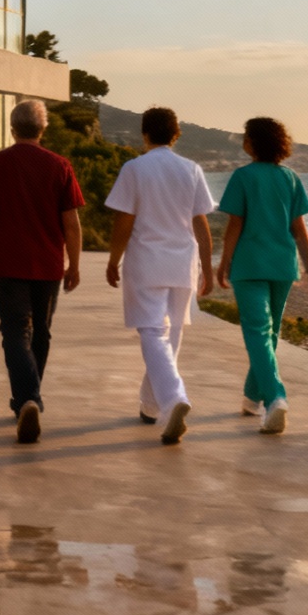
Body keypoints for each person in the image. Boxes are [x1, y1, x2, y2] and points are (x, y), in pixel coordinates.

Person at [0, 99, 85, 444]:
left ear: (12, 128)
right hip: (47, 265)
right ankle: (29, 396)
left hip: (6, 262)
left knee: (16, 331)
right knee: (42, 333)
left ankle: (26, 399)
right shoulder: (60, 166)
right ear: (42, 129)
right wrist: (73, 264)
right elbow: (71, 224)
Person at [103, 107, 215, 445]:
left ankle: (172, 400)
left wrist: (113, 259)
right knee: (172, 334)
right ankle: (151, 405)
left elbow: (124, 220)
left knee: (153, 332)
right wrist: (207, 268)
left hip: (147, 260)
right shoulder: (191, 169)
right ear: (176, 134)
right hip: (183, 262)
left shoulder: (135, 168)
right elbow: (202, 224)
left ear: (144, 133)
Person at [217, 117, 308, 436]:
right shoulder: (289, 178)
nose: (243, 141)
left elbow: (234, 226)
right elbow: (300, 231)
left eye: (246, 136)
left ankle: (276, 397)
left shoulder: (243, 176)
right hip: (282, 265)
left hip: (250, 265)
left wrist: (223, 263)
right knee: (270, 332)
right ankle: (252, 398)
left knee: (257, 332)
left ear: (255, 142)